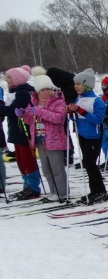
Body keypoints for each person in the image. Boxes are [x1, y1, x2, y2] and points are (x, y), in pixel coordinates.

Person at [23, 67, 69, 202]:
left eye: (48, 89)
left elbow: (59, 118)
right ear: (37, 92)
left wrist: (39, 111)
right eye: (42, 90)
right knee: (46, 168)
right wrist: (24, 114)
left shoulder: (58, 101)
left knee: (57, 168)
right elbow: (29, 120)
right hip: (39, 138)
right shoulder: (34, 103)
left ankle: (62, 192)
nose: (46, 92)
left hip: (54, 139)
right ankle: (53, 190)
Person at [68, 68, 108, 204]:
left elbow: (98, 119)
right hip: (82, 135)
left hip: (94, 136)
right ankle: (94, 191)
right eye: (75, 84)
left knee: (90, 164)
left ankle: (101, 191)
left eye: (78, 84)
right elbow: (76, 119)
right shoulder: (79, 99)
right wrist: (71, 113)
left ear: (86, 84)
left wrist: (80, 111)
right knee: (88, 164)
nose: (75, 87)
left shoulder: (97, 101)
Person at [1, 65, 41, 200]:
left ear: (17, 79)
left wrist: (3, 108)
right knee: (20, 160)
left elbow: (13, 110)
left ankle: (33, 187)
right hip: (16, 129)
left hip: (24, 130)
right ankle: (27, 184)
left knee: (27, 159)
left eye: (9, 77)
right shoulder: (14, 91)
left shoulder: (23, 92)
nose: (6, 79)